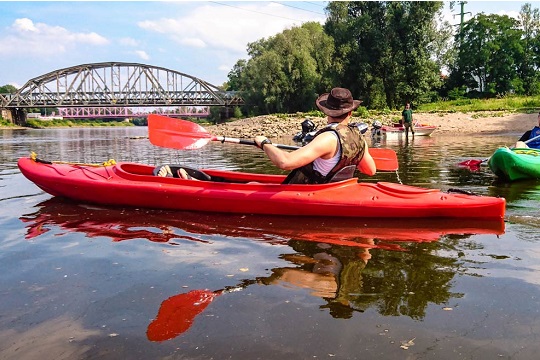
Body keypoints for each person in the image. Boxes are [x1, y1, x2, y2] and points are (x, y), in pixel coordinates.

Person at [254, 87, 376, 184]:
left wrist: (265, 143)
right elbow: (370, 170)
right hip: (336, 190)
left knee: (251, 185)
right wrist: (349, 158)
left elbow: (284, 162)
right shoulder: (359, 138)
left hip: (311, 193)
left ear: (326, 111)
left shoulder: (327, 138)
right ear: (350, 113)